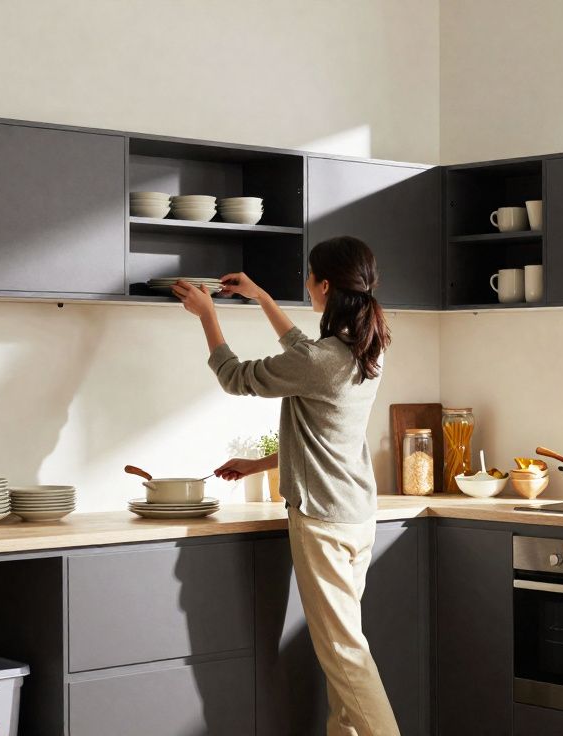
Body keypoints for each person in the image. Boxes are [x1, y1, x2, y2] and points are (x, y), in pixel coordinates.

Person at [172, 235, 398, 736]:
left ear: (322, 286)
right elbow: (314, 385)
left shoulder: (322, 361)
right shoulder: (367, 348)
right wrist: (262, 300)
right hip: (356, 517)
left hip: (322, 522)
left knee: (344, 654)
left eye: (308, 278)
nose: (306, 284)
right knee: (343, 661)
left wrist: (207, 315)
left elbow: (234, 376)